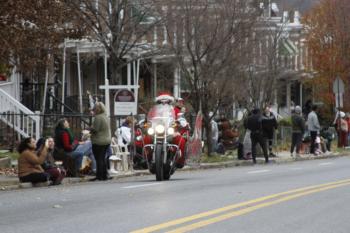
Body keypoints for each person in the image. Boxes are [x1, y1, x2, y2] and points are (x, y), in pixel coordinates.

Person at [89, 101, 112, 181]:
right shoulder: (105, 116)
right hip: (106, 140)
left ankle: (99, 176)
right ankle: (104, 175)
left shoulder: (98, 117)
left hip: (99, 141)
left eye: (95, 108)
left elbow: (95, 129)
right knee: (102, 158)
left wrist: (89, 129)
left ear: (98, 109)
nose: (94, 110)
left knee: (99, 158)